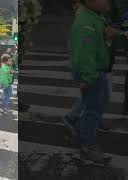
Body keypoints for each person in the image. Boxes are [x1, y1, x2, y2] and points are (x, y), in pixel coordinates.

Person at [65, 0, 113, 164]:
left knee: (91, 107)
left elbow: (97, 45)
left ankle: (78, 134)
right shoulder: (86, 21)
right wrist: (88, 77)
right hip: (93, 73)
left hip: (96, 71)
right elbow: (83, 54)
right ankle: (87, 145)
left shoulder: (94, 17)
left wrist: (109, 36)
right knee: (92, 111)